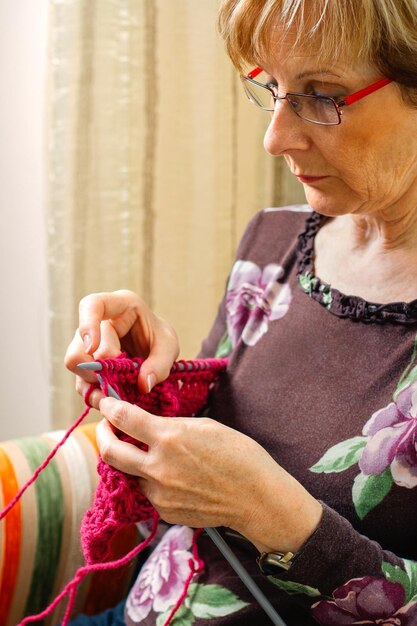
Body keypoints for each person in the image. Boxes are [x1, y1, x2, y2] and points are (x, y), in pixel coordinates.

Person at [65, 0, 417, 624]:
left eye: (321, 95)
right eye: (273, 89)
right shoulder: (276, 242)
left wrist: (276, 517)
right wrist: (153, 377)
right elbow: (213, 451)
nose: (276, 137)